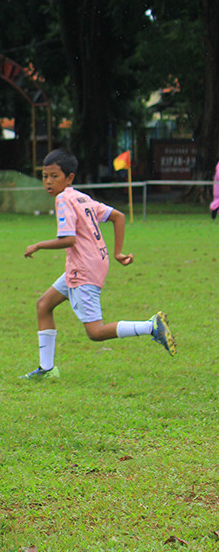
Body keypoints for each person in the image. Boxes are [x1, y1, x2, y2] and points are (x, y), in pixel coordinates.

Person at [21, 149, 176, 379]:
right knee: (44, 305)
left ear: (69, 178)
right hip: (92, 262)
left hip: (82, 268)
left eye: (54, 176)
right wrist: (118, 252)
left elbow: (69, 240)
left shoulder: (63, 199)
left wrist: (38, 245)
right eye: (45, 176)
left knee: (95, 332)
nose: (48, 182)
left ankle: (151, 326)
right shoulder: (81, 197)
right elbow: (118, 216)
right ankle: (47, 369)